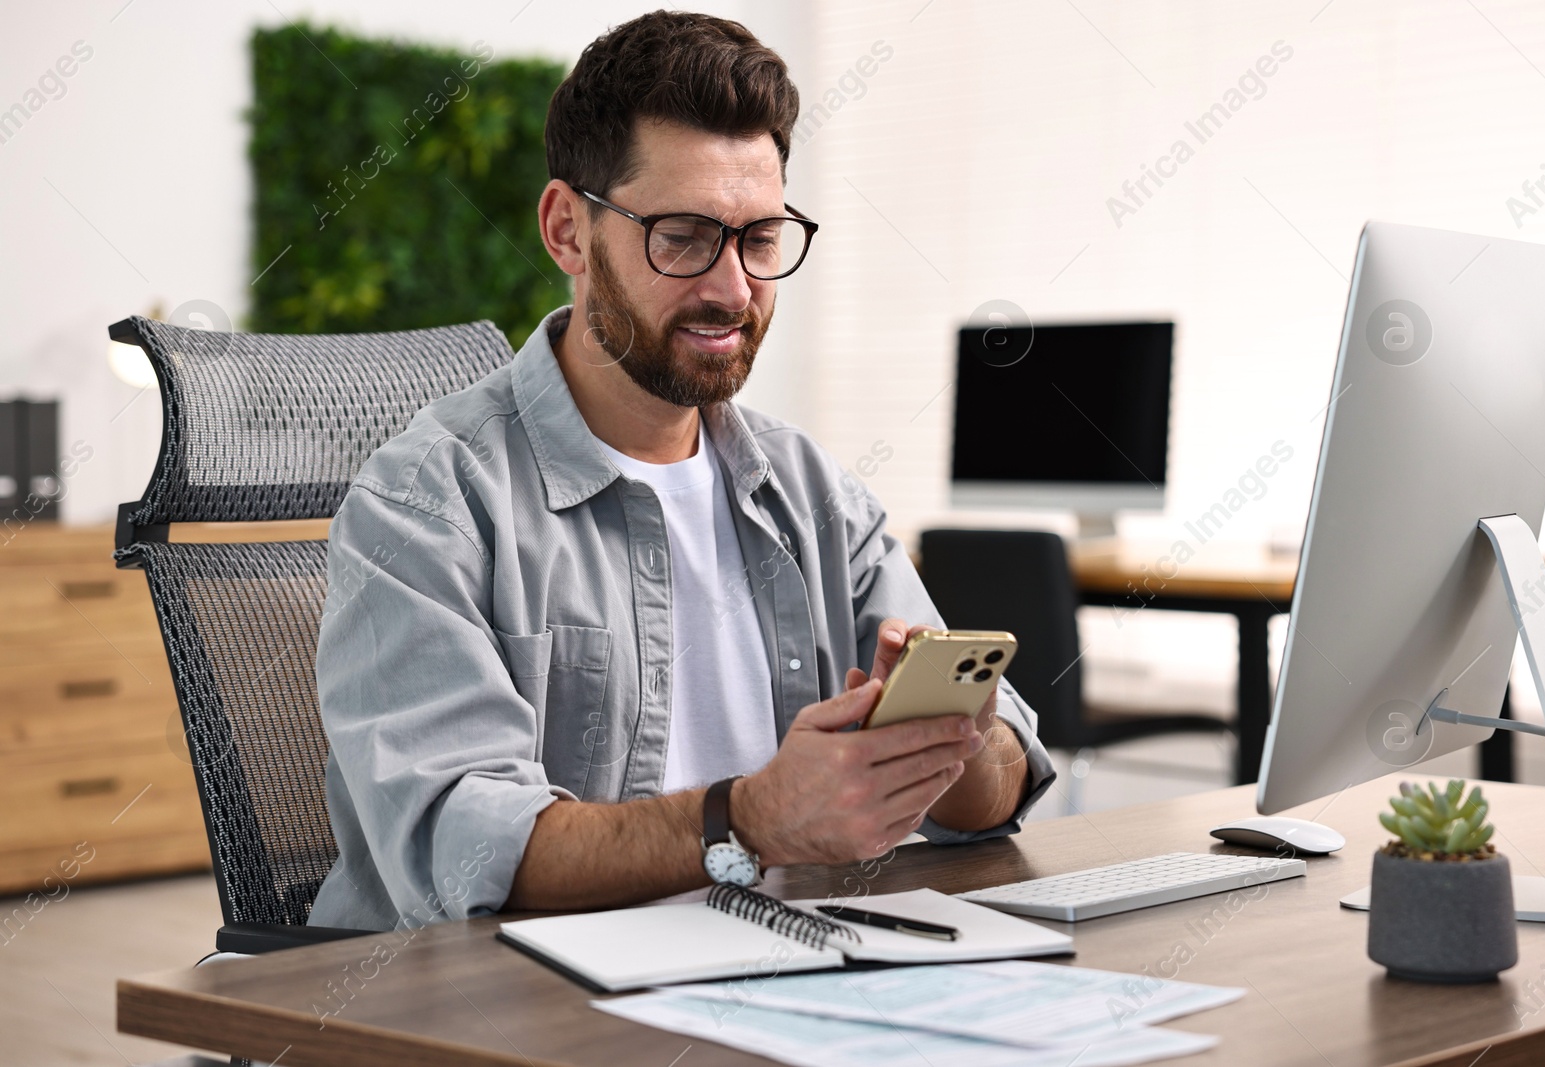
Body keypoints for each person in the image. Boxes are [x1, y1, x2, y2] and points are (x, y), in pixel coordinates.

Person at [308, 9, 1056, 932]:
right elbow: (459, 849)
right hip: (505, 1004)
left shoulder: (813, 493)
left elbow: (999, 790)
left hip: (767, 971)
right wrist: (748, 819)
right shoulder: (426, 502)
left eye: (760, 238)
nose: (733, 287)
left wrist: (956, 741)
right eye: (684, 235)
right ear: (567, 231)